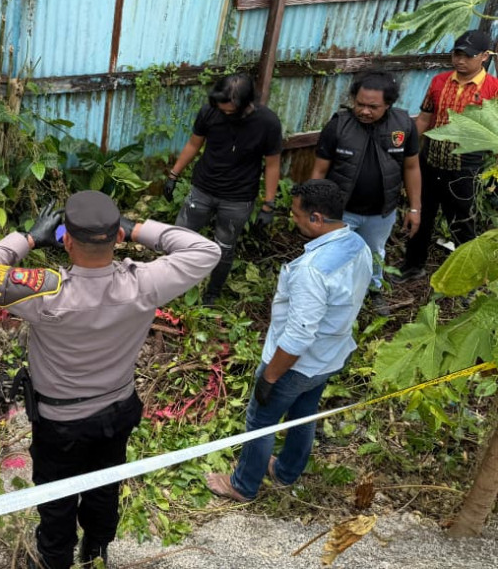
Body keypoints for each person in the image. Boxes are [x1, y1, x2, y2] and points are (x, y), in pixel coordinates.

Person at [0, 191, 220, 569]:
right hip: (117, 410)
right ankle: (96, 550)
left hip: (59, 422)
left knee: (57, 496)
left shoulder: (46, 291)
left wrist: (28, 238)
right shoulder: (146, 284)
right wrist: (139, 230)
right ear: (117, 237)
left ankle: (55, 560)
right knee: (104, 486)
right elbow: (205, 251)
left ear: (64, 240)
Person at [206, 179, 372, 503]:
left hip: (295, 364)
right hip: (330, 357)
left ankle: (242, 484)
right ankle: (286, 472)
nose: (292, 219)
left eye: (296, 215)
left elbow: (299, 334)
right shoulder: (357, 246)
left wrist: (270, 376)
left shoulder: (312, 270)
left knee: (261, 421)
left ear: (317, 219)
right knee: (303, 415)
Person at [165, 72, 282, 305]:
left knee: (224, 247)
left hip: (238, 199)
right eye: (221, 108)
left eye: (229, 110)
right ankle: (170, 285)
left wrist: (268, 205)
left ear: (247, 104)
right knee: (179, 236)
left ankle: (212, 294)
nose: (224, 113)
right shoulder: (210, 111)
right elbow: (193, 144)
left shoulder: (267, 123)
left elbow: (272, 165)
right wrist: (173, 174)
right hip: (202, 189)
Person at [310, 70, 421, 315]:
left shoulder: (403, 126)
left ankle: (374, 291)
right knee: (332, 255)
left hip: (381, 213)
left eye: (373, 107)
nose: (364, 111)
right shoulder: (339, 125)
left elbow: (412, 167)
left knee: (374, 254)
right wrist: (313, 206)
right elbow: (319, 169)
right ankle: (327, 297)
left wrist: (415, 208)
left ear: (388, 104)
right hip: (340, 211)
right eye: (359, 104)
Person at [402, 30, 498, 280]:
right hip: (430, 158)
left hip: (466, 165)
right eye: (456, 54)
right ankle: (412, 266)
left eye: (467, 56)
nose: (460, 60)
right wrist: (407, 150)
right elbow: (424, 119)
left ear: (485, 57)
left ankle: (467, 281)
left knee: (463, 222)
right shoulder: (439, 82)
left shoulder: (493, 89)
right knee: (421, 213)